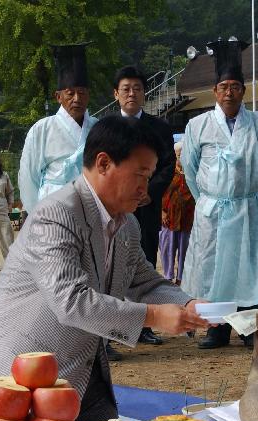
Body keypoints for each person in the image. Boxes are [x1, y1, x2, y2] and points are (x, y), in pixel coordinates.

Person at [0, 116, 210, 421]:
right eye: (139, 174)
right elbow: (71, 300)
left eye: (149, 177)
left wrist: (187, 304)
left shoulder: (127, 225)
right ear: (104, 163)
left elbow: (143, 281)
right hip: (20, 374)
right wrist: (153, 317)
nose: (144, 188)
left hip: (80, 370)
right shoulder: (56, 214)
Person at [182, 38, 258, 349]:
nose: (229, 92)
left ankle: (249, 327)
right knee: (213, 271)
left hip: (248, 206)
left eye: (235, 86)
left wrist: (255, 200)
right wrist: (207, 199)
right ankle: (216, 329)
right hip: (213, 209)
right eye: (223, 86)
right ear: (214, 91)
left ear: (243, 91)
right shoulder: (197, 126)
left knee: (248, 268)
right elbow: (190, 168)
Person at [111, 65, 177, 347]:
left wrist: (149, 191)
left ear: (144, 93)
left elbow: (167, 165)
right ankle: (113, 326)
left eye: (137, 88)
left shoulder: (159, 127)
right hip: (116, 207)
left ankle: (144, 324)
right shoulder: (107, 128)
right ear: (116, 94)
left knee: (146, 259)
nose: (131, 94)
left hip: (147, 205)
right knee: (112, 260)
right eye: (125, 89)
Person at [18, 43, 98, 213]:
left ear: (88, 95)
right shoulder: (42, 129)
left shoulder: (98, 128)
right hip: (53, 208)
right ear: (58, 96)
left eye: (82, 93)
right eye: (70, 93)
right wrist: (35, 214)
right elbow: (28, 178)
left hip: (91, 207)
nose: (77, 98)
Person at [159, 141, 195, 284]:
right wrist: (161, 212)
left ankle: (181, 278)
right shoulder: (168, 172)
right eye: (180, 154)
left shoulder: (192, 173)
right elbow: (159, 193)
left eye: (184, 154)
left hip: (187, 218)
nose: (182, 157)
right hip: (169, 217)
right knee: (167, 248)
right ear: (175, 155)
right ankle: (168, 277)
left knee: (185, 250)